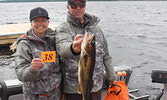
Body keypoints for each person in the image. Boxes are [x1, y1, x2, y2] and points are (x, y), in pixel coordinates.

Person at [56, 0, 117, 100]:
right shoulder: (63, 28)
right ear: (68, 7)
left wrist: (111, 77)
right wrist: (73, 48)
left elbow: (106, 55)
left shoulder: (97, 29)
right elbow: (62, 48)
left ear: (85, 5)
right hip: (73, 90)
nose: (78, 8)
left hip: (96, 87)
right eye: (74, 5)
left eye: (81, 4)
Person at [14, 7, 62, 100]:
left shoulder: (56, 39)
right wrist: (32, 69)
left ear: (48, 22)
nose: (40, 24)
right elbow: (21, 75)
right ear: (31, 23)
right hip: (34, 96)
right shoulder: (24, 44)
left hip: (56, 94)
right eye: (36, 21)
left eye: (43, 20)